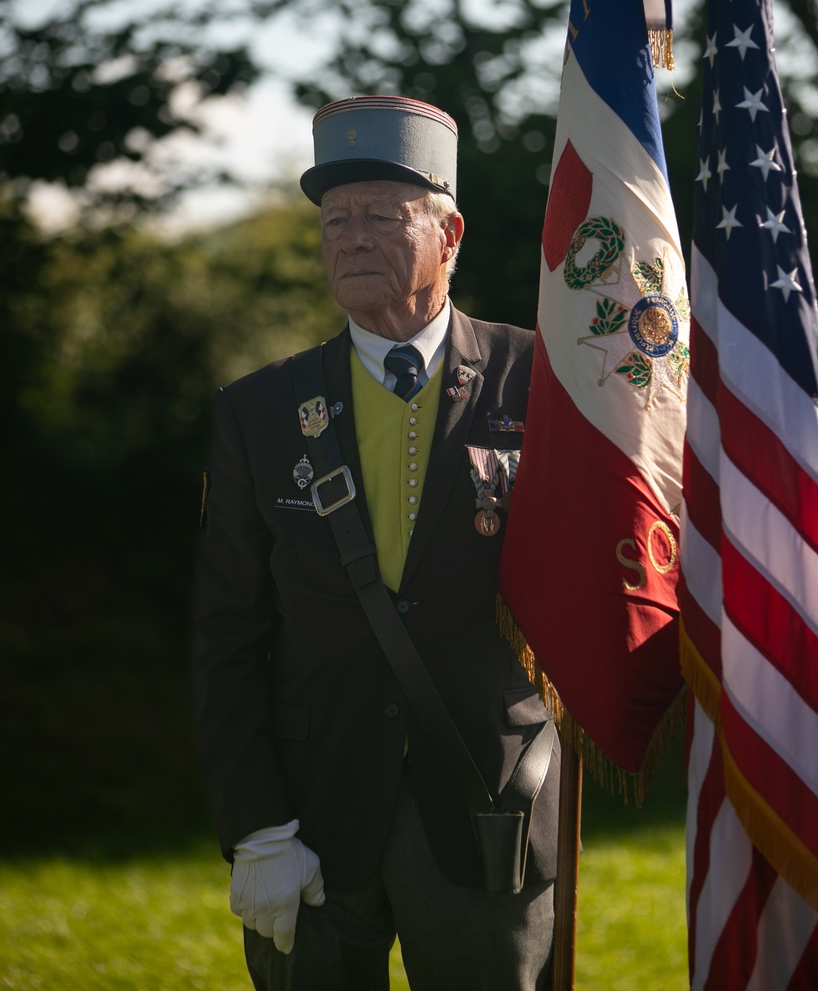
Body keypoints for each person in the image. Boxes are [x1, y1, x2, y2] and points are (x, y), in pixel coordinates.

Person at [191, 95, 560, 991]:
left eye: (381, 217)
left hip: (490, 813)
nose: (349, 239)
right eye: (333, 220)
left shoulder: (545, 382)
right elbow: (226, 631)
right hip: (312, 822)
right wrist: (258, 827)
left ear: (450, 231)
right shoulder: (259, 411)